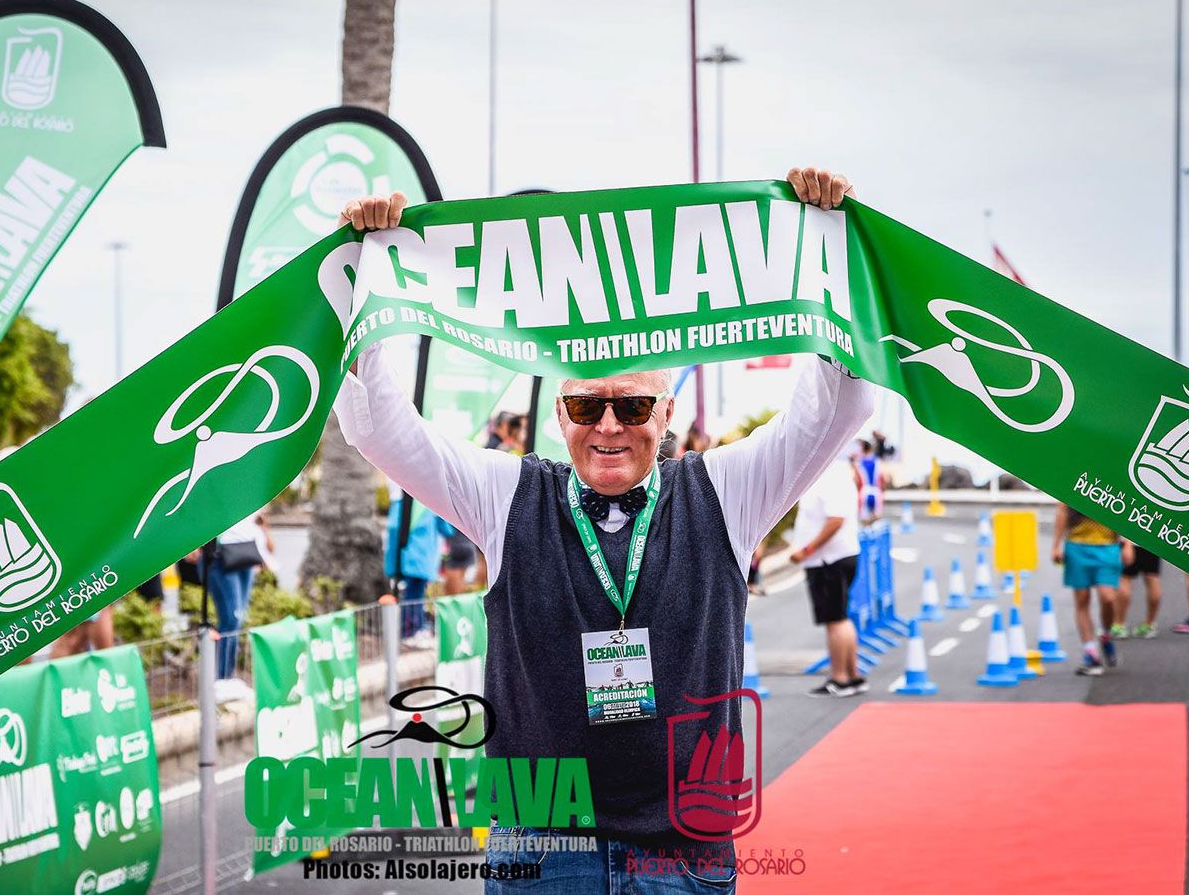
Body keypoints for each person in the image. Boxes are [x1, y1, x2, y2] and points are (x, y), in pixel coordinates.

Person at [334, 168, 870, 892]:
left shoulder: (724, 490)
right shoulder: (508, 494)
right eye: (587, 408)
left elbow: (832, 412)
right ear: (560, 418)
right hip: (543, 853)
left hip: (684, 852)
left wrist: (825, 245)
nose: (609, 426)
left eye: (632, 405)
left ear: (668, 411)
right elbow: (383, 430)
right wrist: (371, 269)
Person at [791, 453, 864, 696]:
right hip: (839, 555)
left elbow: (836, 520)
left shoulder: (829, 476)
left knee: (835, 620)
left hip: (828, 559)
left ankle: (840, 678)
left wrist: (806, 550)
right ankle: (852, 676)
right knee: (842, 617)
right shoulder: (840, 473)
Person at [202, 510, 274, 700]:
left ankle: (228, 677)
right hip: (221, 554)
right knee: (231, 619)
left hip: (245, 552)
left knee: (238, 618)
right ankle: (221, 680)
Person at [1052, 504, 1126, 675]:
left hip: (1108, 546)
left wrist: (1127, 543)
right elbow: (1062, 509)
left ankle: (1106, 635)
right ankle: (1090, 652)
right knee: (1082, 599)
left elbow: (1127, 505)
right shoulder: (1073, 479)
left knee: (1108, 597)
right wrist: (1056, 545)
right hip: (1077, 545)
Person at [386, 493, 458, 648]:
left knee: (410, 595)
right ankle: (411, 632)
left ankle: (411, 630)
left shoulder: (401, 502)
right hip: (422, 559)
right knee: (415, 596)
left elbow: (393, 528)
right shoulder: (431, 503)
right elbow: (448, 529)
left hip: (405, 558)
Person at [1113, 543, 1162, 638]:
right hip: (1153, 540)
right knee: (1152, 578)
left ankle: (1119, 625)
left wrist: (1127, 544)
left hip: (1133, 540)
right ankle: (1149, 624)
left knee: (1124, 579)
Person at [855, 438, 884, 522]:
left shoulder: (859, 463)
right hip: (876, 491)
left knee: (865, 522)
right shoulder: (877, 461)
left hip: (864, 492)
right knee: (877, 522)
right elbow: (884, 478)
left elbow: (857, 480)